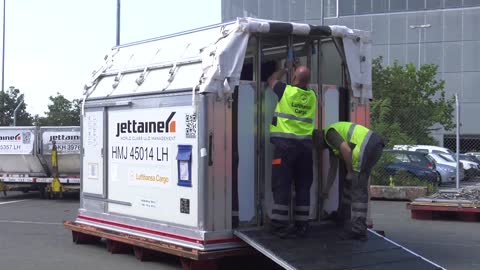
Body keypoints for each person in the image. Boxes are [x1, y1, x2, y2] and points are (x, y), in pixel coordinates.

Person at [267, 62, 317, 238]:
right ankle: (302, 225)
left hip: (285, 149)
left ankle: (279, 226)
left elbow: (271, 79)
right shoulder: (312, 96)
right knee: (303, 187)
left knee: (281, 186)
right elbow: (305, 81)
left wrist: (285, 69)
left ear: (294, 78)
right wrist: (299, 72)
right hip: (305, 150)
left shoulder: (285, 91)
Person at [316, 122, 385, 241]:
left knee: (358, 189)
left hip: (366, 146)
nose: (319, 150)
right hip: (375, 145)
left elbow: (346, 150)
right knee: (351, 184)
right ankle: (343, 216)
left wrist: (349, 171)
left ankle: (358, 230)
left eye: (317, 147)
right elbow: (333, 169)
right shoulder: (331, 145)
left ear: (319, 138)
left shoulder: (329, 134)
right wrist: (326, 191)